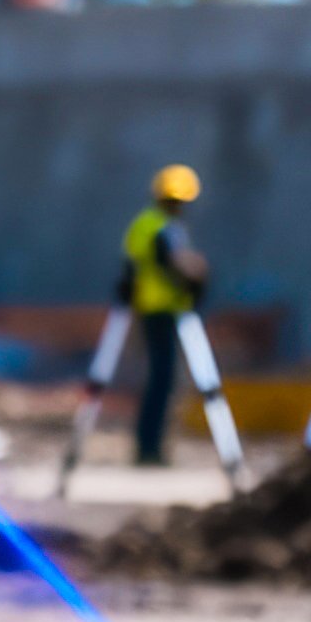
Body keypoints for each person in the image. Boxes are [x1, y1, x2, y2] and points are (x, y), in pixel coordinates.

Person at [121, 164, 213, 467]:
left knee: (162, 380)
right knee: (161, 380)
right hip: (160, 309)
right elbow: (166, 264)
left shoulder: (156, 224)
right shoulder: (158, 227)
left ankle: (151, 447)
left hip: (162, 309)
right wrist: (192, 279)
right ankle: (149, 449)